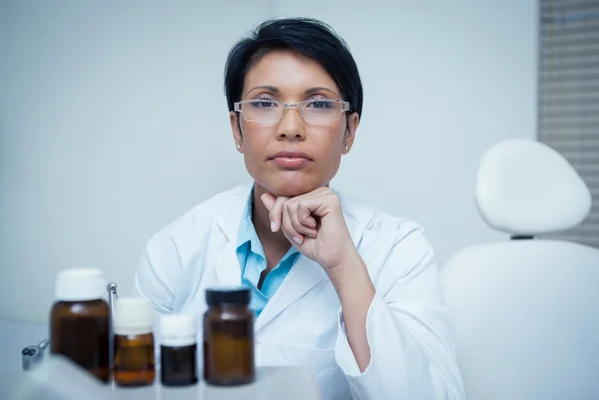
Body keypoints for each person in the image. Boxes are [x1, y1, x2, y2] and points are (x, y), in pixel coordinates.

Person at [134, 17, 465, 400]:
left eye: (319, 103)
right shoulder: (175, 248)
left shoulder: (399, 249)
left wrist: (344, 266)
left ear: (350, 132)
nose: (291, 127)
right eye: (264, 103)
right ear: (237, 129)